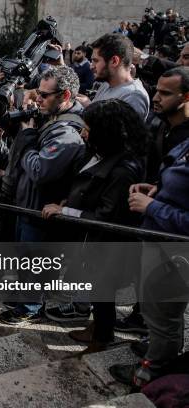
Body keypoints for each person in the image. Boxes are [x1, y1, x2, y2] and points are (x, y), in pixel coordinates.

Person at [41, 99, 147, 349]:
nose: (82, 133)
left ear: (106, 131)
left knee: (103, 289)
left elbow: (106, 217)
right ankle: (99, 327)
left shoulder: (123, 170)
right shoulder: (104, 153)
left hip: (108, 245)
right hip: (94, 243)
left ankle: (101, 338)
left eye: (88, 128)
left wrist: (65, 210)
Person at [0, 66, 85, 325]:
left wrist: (26, 141)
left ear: (65, 95)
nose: (38, 100)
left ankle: (30, 307)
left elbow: (40, 170)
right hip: (29, 205)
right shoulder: (52, 120)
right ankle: (25, 299)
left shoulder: (67, 131)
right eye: (38, 93)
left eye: (45, 96)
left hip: (41, 210)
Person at [109, 128, 189, 388]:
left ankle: (152, 373)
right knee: (156, 313)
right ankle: (160, 358)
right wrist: (158, 190)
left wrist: (153, 206)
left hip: (175, 253)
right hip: (160, 242)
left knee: (163, 316)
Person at [78, 33, 150, 120]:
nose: (91, 66)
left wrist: (89, 107)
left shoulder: (134, 96)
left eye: (96, 61)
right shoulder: (106, 85)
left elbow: (117, 132)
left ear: (114, 61)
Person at [146, 67, 189, 182]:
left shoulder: (185, 139)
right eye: (157, 91)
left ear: (186, 97)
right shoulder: (156, 122)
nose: (155, 98)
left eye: (165, 93)